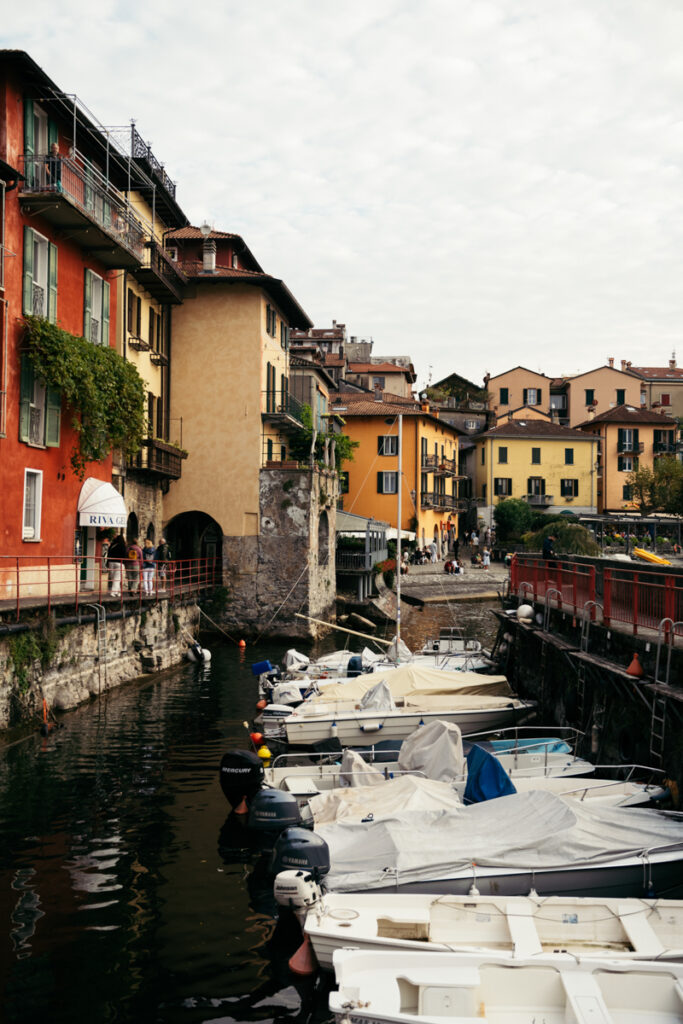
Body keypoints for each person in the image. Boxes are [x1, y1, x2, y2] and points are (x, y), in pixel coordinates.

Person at [108, 532, 128, 597]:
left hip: (111, 562)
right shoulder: (123, 546)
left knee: (113, 578)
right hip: (119, 563)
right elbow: (125, 555)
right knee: (117, 578)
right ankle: (113, 592)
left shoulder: (112, 545)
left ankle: (118, 592)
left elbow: (108, 553)